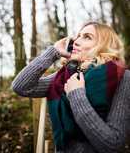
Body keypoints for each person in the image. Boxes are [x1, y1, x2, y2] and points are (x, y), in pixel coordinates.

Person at [12, 21, 130, 153]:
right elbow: (21, 86)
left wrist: (76, 94)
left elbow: (113, 144)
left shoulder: (123, 77)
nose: (76, 41)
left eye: (87, 37)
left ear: (104, 46)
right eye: (78, 36)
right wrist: (54, 51)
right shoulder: (66, 74)